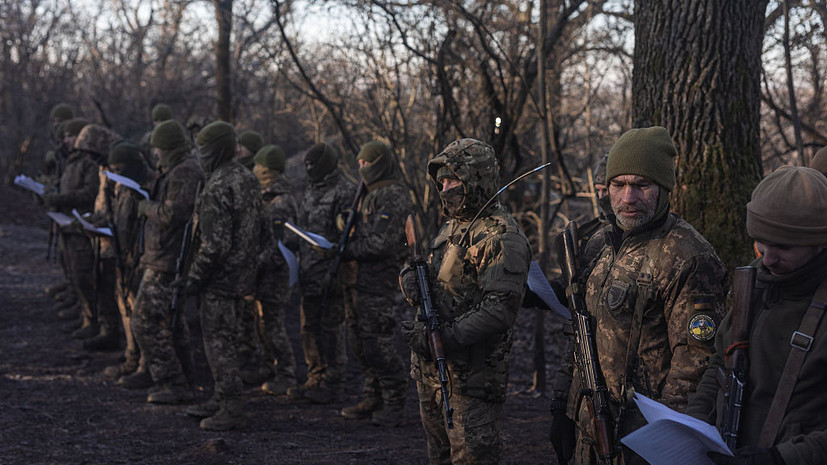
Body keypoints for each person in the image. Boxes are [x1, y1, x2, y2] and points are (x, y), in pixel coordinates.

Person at [551, 126, 728, 465]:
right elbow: (580, 333)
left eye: (641, 185)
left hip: (642, 441)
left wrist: (663, 443)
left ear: (664, 189)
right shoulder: (599, 244)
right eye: (618, 185)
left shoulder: (688, 256)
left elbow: (694, 367)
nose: (628, 198)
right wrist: (562, 404)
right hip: (590, 428)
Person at [399, 138, 532, 463]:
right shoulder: (451, 227)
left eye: (454, 180)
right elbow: (424, 272)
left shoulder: (502, 236)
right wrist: (409, 280)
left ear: (477, 178)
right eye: (441, 182)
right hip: (430, 372)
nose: (446, 189)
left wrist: (445, 338)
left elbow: (499, 309)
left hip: (472, 380)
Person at [686, 166, 827, 465]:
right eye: (760, 241)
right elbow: (719, 364)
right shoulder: (756, 281)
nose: (768, 257)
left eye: (783, 245)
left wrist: (779, 459)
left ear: (821, 241)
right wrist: (693, 426)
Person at [182, 121, 261, 431]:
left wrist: (194, 279)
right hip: (242, 275)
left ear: (215, 150)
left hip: (220, 278)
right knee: (228, 339)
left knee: (219, 342)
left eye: (204, 148)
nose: (200, 154)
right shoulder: (246, 176)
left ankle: (231, 406)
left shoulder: (218, 184)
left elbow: (215, 246)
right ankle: (220, 397)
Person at [128, 119, 203, 401]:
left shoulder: (185, 172)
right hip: (161, 256)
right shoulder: (175, 170)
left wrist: (145, 206)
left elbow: (174, 215)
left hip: (168, 259)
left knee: (144, 320)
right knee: (171, 322)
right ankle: (184, 377)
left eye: (158, 148)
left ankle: (172, 382)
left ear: (169, 147)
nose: (155, 153)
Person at [338, 140, 411, 426]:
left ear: (380, 163)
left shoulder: (393, 195)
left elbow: (381, 243)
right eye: (359, 163)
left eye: (367, 163)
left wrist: (347, 248)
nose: (362, 168)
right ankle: (373, 396)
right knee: (358, 342)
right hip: (355, 279)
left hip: (377, 281)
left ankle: (394, 400)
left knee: (377, 343)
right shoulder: (367, 194)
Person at [286, 142, 354, 404]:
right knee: (308, 327)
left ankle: (334, 383)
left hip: (331, 274)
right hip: (307, 273)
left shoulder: (345, 191)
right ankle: (315, 377)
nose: (310, 169)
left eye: (314, 165)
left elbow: (348, 234)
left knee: (331, 329)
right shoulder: (311, 190)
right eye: (308, 165)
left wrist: (335, 256)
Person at [42, 119, 100, 339]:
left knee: (84, 274)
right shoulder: (71, 161)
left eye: (70, 135)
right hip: (67, 223)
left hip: (80, 225)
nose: (66, 140)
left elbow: (89, 193)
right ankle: (84, 316)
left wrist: (61, 198)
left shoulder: (88, 162)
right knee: (74, 273)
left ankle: (92, 320)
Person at [99, 141, 151, 380]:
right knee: (127, 311)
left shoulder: (145, 188)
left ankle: (144, 364)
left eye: (119, 170)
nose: (116, 175)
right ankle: (132, 357)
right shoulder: (120, 189)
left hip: (140, 261)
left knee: (142, 315)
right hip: (124, 258)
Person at [250, 144, 299, 395]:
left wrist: (256, 263)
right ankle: (269, 366)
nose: (254, 169)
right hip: (263, 273)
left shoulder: (280, 202)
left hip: (274, 275)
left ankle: (286, 373)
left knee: (274, 326)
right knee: (262, 323)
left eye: (258, 165)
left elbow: (282, 246)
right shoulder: (265, 197)